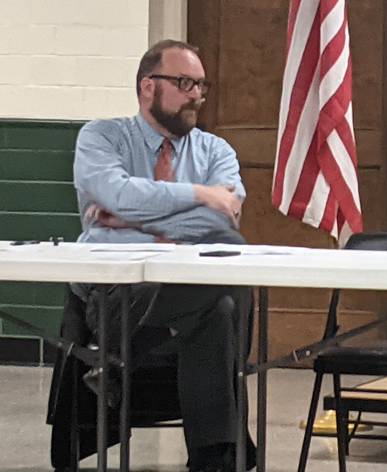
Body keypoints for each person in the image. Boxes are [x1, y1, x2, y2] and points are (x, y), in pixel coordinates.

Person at [47, 39, 254, 471]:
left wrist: (126, 219)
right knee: (220, 304)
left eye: (200, 85)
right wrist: (197, 195)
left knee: (220, 293)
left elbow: (224, 224)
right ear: (147, 87)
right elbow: (119, 193)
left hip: (187, 295)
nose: (196, 94)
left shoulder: (216, 151)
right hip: (118, 295)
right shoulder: (101, 137)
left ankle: (116, 367)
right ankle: (217, 459)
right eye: (184, 83)